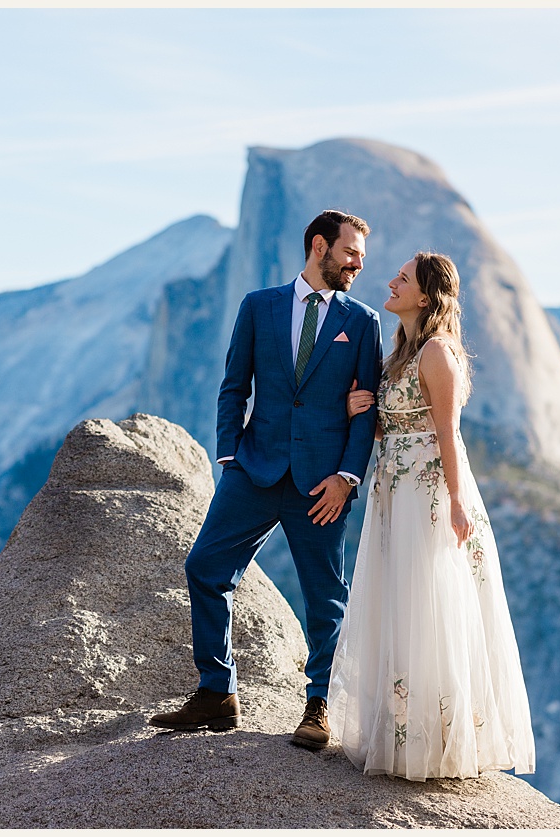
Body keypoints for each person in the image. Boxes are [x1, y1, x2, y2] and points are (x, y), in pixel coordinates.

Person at [153, 210, 383, 753]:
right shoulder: (259, 306)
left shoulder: (365, 321)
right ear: (319, 245)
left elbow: (365, 409)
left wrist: (347, 478)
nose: (357, 264)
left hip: (321, 485)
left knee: (326, 599)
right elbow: (234, 386)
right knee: (205, 568)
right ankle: (217, 694)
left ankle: (319, 707)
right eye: (351, 252)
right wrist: (229, 455)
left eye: (363, 259)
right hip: (253, 470)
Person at [323, 251, 536, 780]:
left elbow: (446, 434)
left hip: (429, 496)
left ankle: (434, 740)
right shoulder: (399, 353)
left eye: (403, 278)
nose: (390, 282)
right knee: (399, 604)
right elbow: (393, 425)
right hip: (392, 493)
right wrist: (360, 414)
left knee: (428, 604)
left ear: (425, 296)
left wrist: (459, 504)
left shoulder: (438, 353)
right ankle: (400, 732)